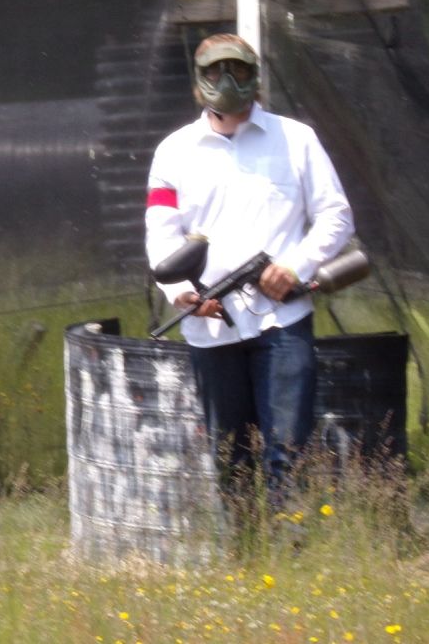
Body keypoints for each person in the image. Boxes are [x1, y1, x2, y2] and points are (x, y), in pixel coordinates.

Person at [145, 33, 354, 509]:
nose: (227, 81)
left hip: (282, 320)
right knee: (229, 458)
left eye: (237, 70)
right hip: (210, 325)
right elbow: (161, 234)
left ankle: (290, 545)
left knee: (288, 451)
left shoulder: (296, 139)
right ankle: (243, 545)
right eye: (215, 72)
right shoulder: (173, 152)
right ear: (198, 81)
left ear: (255, 77)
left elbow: (337, 216)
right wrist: (181, 293)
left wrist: (294, 266)